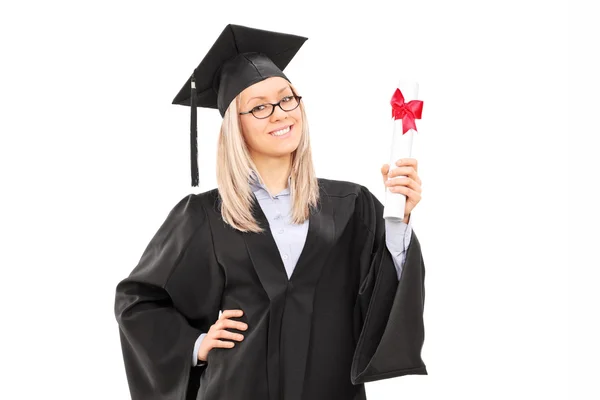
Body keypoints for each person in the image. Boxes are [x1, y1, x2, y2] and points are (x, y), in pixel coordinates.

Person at [114, 24, 427, 400]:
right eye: (259, 107)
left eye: (286, 99)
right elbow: (138, 301)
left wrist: (399, 219)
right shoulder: (204, 215)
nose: (279, 114)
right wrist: (196, 344)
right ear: (235, 125)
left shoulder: (351, 205)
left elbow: (382, 299)